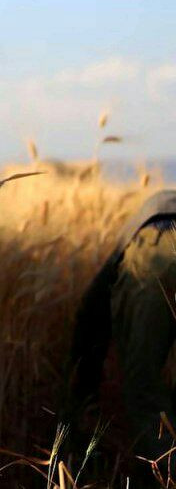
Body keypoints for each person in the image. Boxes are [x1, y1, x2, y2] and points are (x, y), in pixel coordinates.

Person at [66, 190, 176, 478]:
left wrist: (84, 386)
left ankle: (168, 477)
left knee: (144, 390)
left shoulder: (137, 233)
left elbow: (92, 310)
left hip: (155, 251)